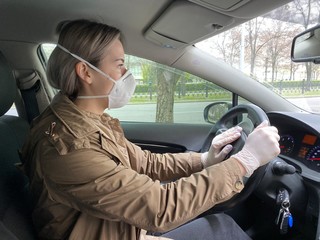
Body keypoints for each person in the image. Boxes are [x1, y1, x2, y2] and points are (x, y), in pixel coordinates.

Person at [21, 19, 280, 240]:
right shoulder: (68, 148)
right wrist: (246, 161)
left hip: (117, 230)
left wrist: (205, 159)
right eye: (119, 64)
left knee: (220, 226)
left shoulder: (87, 121)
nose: (126, 73)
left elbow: (145, 162)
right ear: (86, 73)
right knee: (223, 231)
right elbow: (159, 207)